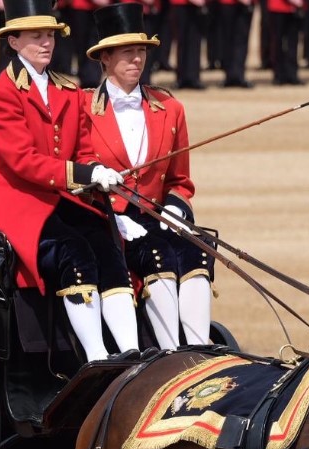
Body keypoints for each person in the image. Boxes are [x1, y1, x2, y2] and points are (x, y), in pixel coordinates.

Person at [0, 0, 138, 362]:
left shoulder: (68, 89)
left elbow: (84, 148)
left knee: (107, 244)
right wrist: (83, 173)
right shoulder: (1, 93)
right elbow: (23, 162)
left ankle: (132, 353)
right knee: (74, 252)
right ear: (13, 42)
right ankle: (96, 358)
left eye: (50, 36)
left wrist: (97, 174)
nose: (46, 43)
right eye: (36, 36)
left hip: (59, 199)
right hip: (15, 202)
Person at [83, 2, 212, 349]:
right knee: (159, 254)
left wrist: (176, 208)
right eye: (127, 53)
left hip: (157, 214)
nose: (137, 60)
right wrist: (111, 216)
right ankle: (171, 352)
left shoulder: (170, 108)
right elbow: (75, 179)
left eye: (140, 51)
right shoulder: (82, 110)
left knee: (200, 248)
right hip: (110, 222)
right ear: (105, 59)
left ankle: (200, 348)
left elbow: (180, 180)